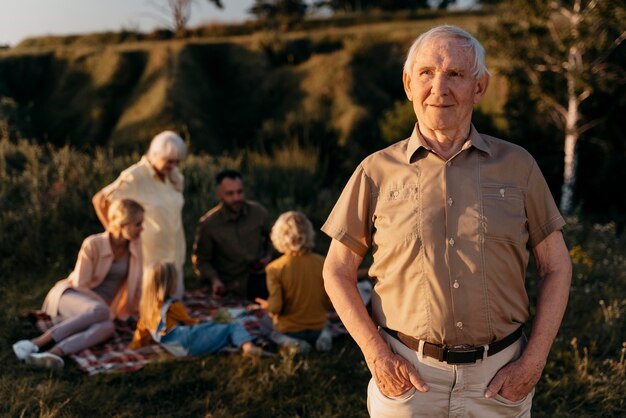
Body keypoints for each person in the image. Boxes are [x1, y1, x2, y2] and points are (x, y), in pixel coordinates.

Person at [321, 25, 572, 417]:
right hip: (408, 379)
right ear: (408, 83)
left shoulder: (519, 166)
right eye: (426, 72)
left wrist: (532, 362)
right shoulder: (375, 171)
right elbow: (336, 270)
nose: (439, 87)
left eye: (456, 74)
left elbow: (556, 267)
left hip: (500, 380)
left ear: (479, 87)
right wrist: (377, 356)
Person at [13, 199, 145, 370]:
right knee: (101, 312)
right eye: (138, 224)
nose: (142, 228)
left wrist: (147, 313)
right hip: (71, 295)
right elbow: (80, 284)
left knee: (108, 327)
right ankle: (34, 343)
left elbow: (138, 285)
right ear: (122, 223)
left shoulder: (136, 247)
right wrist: (103, 307)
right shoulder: (93, 243)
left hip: (98, 311)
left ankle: (52, 354)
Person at [92, 130, 187, 299]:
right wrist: (115, 234)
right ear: (156, 154)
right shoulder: (135, 176)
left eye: (176, 162)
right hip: (149, 258)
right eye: (169, 161)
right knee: (150, 312)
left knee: (174, 310)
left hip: (174, 256)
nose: (172, 166)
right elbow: (100, 200)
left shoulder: (175, 177)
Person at [129, 261, 264, 356]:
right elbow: (190, 322)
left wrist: (135, 345)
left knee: (218, 332)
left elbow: (141, 331)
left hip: (174, 349)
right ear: (169, 284)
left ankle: (228, 346)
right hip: (189, 342)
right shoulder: (173, 305)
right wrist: (206, 322)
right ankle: (248, 346)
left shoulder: (146, 310)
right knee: (231, 326)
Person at [255, 211, 333, 352]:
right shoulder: (323, 263)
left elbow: (276, 307)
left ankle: (293, 344)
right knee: (325, 328)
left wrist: (267, 306)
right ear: (309, 233)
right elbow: (330, 304)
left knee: (264, 326)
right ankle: (323, 338)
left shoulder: (275, 268)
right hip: (318, 327)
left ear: (278, 236)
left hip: (289, 329)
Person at [192, 169, 272, 301]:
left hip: (260, 280)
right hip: (229, 286)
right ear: (219, 194)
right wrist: (214, 280)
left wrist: (268, 256)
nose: (237, 198)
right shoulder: (209, 224)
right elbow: (201, 260)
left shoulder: (258, 212)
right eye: (230, 194)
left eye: (240, 192)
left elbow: (274, 238)